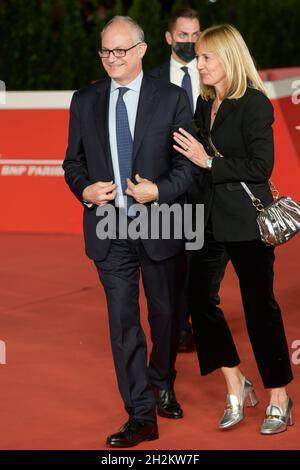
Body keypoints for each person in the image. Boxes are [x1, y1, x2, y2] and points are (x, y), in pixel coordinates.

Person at [63, 16, 193, 447]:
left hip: (160, 221)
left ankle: (163, 379)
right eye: (105, 51)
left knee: (165, 315)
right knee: (123, 322)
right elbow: (72, 162)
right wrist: (84, 188)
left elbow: (188, 167)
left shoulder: (172, 99)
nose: (112, 59)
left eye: (120, 50)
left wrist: (159, 191)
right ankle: (140, 413)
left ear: (141, 51)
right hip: (109, 226)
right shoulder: (85, 100)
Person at [173, 24, 294, 434]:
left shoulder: (255, 103)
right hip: (206, 220)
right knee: (198, 301)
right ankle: (235, 381)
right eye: (198, 57)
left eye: (207, 57)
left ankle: (278, 393)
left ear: (228, 57)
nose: (199, 64)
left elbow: (262, 168)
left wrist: (208, 162)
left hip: (246, 220)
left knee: (259, 306)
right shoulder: (204, 103)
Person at [150, 7, 201, 352]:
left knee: (202, 259)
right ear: (169, 38)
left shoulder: (214, 74)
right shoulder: (152, 81)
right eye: (183, 36)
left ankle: (198, 320)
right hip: (167, 185)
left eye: (196, 36)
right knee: (171, 260)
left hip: (207, 183)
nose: (189, 42)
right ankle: (178, 327)